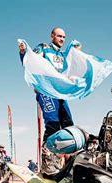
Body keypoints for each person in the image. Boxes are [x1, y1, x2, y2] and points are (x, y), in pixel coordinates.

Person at [18, 27, 81, 175]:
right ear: (52, 36)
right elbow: (30, 60)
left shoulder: (63, 54)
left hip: (60, 93)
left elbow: (71, 67)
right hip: (46, 91)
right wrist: (22, 52)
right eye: (59, 36)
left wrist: (76, 51)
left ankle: (68, 162)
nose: (62, 39)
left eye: (64, 37)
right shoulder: (44, 48)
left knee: (68, 125)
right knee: (53, 124)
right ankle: (47, 164)